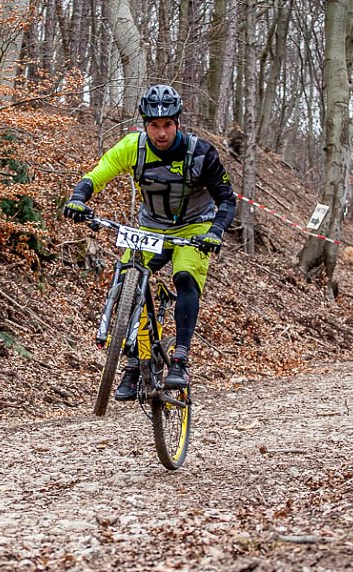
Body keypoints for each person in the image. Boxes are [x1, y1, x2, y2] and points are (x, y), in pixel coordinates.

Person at [63, 84, 237, 401]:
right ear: (145, 124)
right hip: (150, 228)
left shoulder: (200, 153)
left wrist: (215, 231)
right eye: (154, 125)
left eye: (167, 125)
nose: (160, 133)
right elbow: (99, 173)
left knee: (185, 277)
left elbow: (227, 200)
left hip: (193, 230)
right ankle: (134, 363)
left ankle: (180, 359)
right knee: (131, 275)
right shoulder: (134, 147)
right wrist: (78, 197)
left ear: (177, 123)